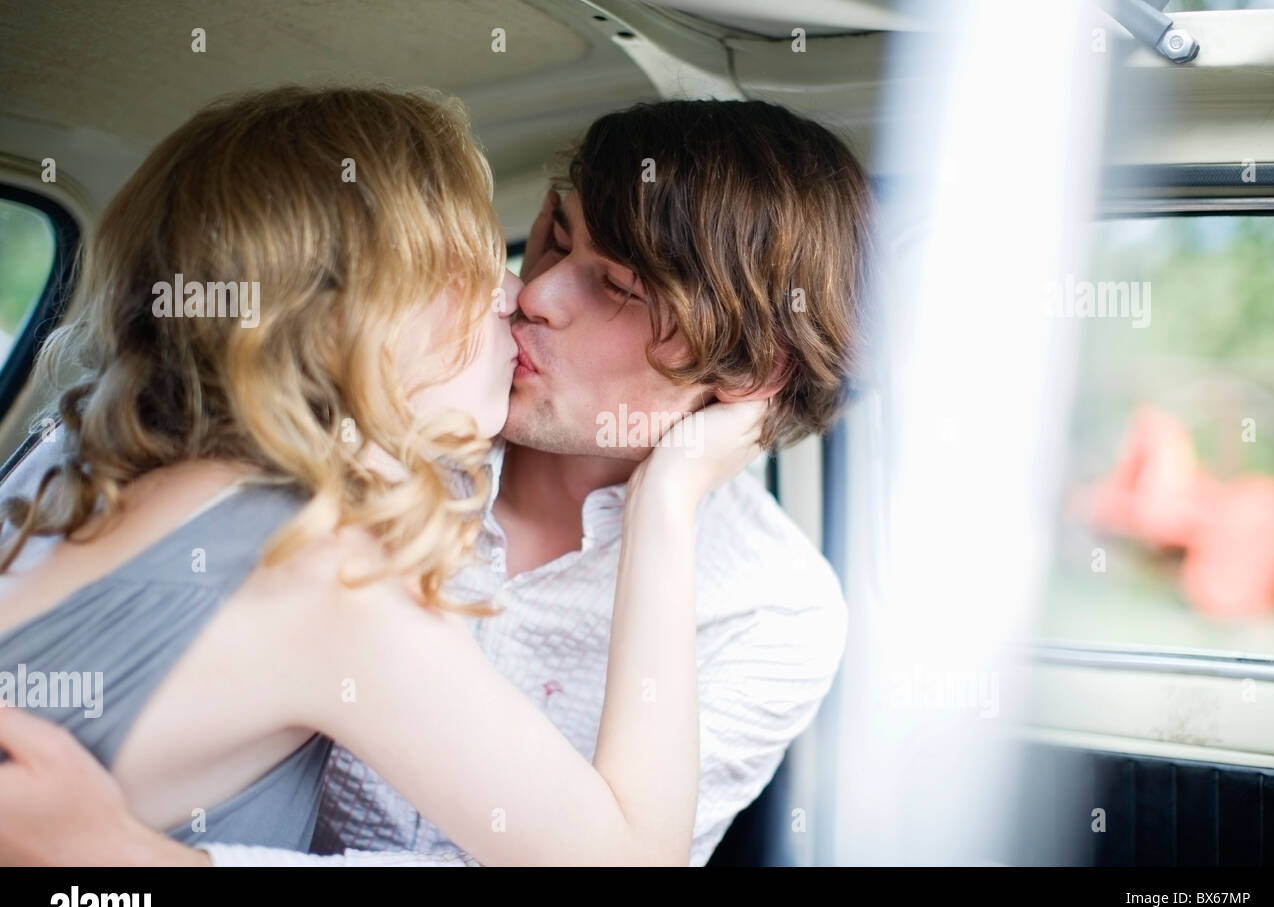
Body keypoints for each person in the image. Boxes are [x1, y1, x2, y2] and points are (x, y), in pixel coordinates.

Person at [0, 98, 871, 866]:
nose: (531, 294)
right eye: (554, 235)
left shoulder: (772, 609)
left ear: (751, 375)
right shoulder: (388, 457)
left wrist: (665, 505)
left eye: (611, 286)